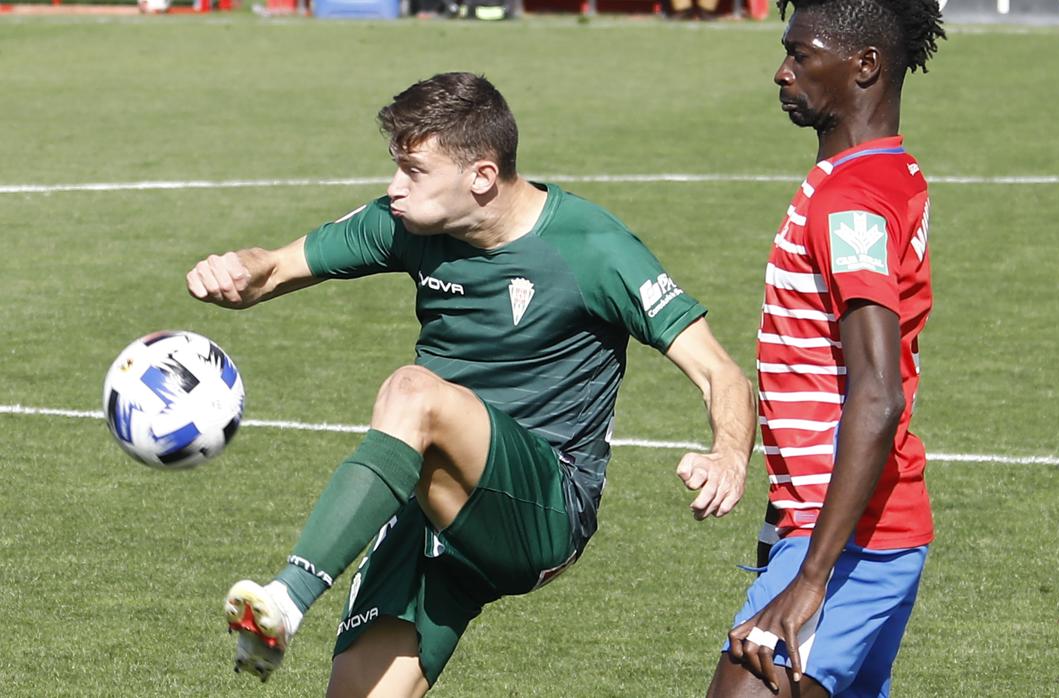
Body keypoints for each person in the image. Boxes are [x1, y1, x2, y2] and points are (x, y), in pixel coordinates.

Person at [185, 72, 754, 696]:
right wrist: (238, 271)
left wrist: (728, 453)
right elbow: (271, 270)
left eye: (414, 171)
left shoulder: (593, 247)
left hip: (542, 507)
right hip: (435, 502)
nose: (393, 188)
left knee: (413, 391)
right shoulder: (405, 223)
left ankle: (287, 603)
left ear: (481, 177)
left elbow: (719, 371)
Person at [705, 1, 944, 696]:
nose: (781, 73)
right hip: (849, 527)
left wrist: (810, 577)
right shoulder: (886, 171)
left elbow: (876, 392)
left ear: (863, 64)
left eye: (801, 55)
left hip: (848, 543)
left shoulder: (850, 203)